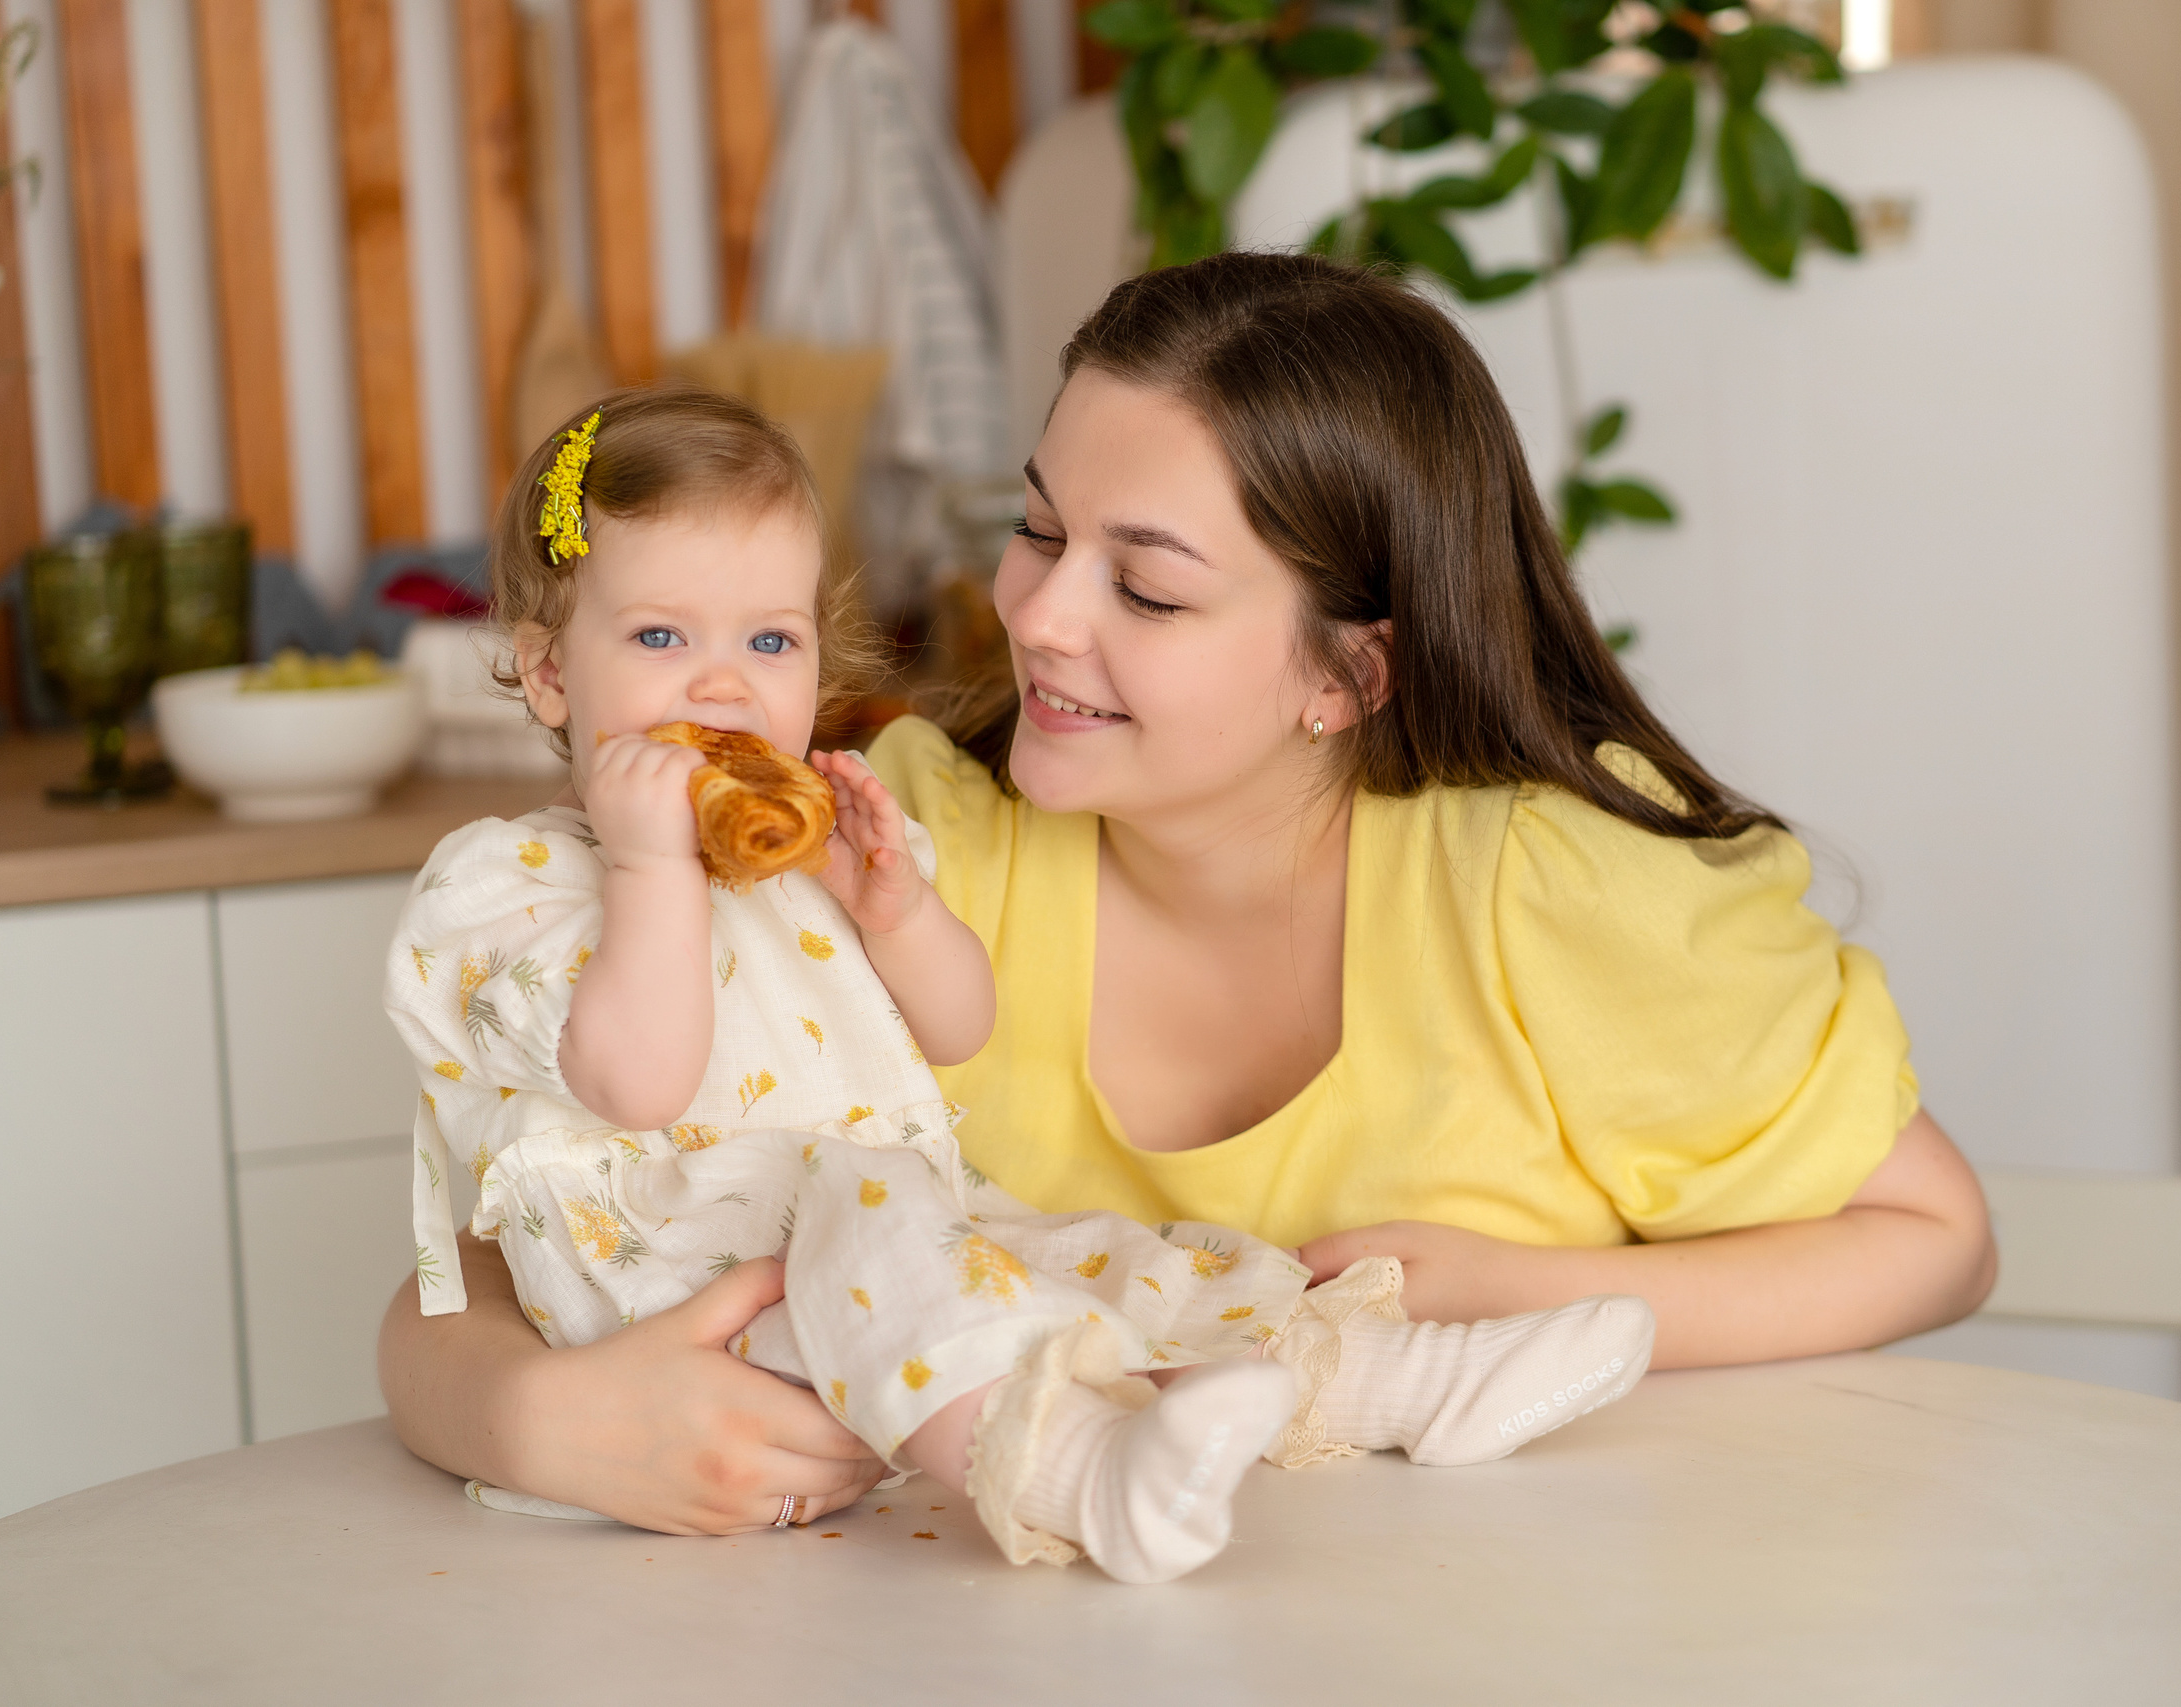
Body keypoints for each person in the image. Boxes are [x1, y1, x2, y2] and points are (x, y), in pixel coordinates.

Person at [377, 253, 1997, 1540]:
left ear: (1347, 672)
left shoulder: (1561, 888)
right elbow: (482, 1273)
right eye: (1036, 528)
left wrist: (1518, 1292)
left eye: (1145, 584)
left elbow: (1936, 1240)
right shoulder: (915, 852)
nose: (1037, 612)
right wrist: (542, 1423)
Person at [383, 387, 1658, 1581]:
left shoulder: (805, 850)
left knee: (1111, 1256)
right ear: (552, 674)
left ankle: (1387, 1379)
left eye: (767, 640)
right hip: (695, 1312)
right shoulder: (509, 888)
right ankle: (1078, 1474)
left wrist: (896, 908)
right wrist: (655, 867)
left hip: (891, 1244)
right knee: (894, 1213)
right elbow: (639, 1083)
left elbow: (957, 1027)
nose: (722, 686)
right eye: (661, 637)